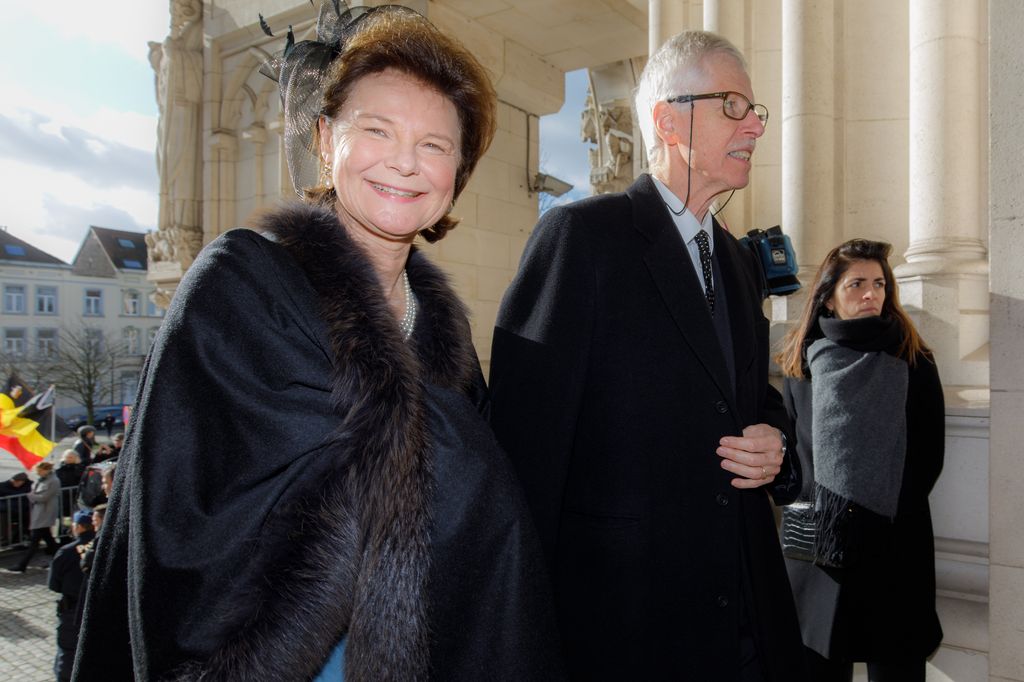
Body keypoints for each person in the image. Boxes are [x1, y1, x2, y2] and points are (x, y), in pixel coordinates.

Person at [73, 4, 560, 681]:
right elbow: (185, 521)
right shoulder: (240, 285)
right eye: (377, 130)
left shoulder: (444, 338)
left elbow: (480, 547)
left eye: (435, 145)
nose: (404, 163)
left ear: (458, 175)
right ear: (327, 141)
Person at [489, 30, 807, 681]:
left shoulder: (742, 262)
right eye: (733, 106)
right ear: (668, 120)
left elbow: (756, 402)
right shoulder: (582, 239)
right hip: (625, 633)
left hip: (743, 626)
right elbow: (525, 460)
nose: (754, 127)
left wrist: (775, 442)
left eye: (757, 112)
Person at [775, 239, 944, 681]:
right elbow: (797, 458)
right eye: (856, 284)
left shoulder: (913, 359)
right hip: (818, 555)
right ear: (829, 296)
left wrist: (870, 516)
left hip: (892, 549)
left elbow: (928, 457)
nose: (871, 294)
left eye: (879, 284)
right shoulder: (801, 365)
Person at [49, 509, 95, 681]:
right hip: (96, 607)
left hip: (72, 611)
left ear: (80, 527)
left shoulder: (66, 552)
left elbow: (54, 585)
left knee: (67, 655)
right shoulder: (104, 546)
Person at [8, 461, 60, 572]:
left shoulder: (54, 481)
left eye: (40, 471)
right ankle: (62, 560)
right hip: (39, 513)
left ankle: (22, 564)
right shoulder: (41, 480)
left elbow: (44, 497)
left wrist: (31, 496)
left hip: (45, 513)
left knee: (35, 541)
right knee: (49, 540)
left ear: (46, 470)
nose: (38, 473)